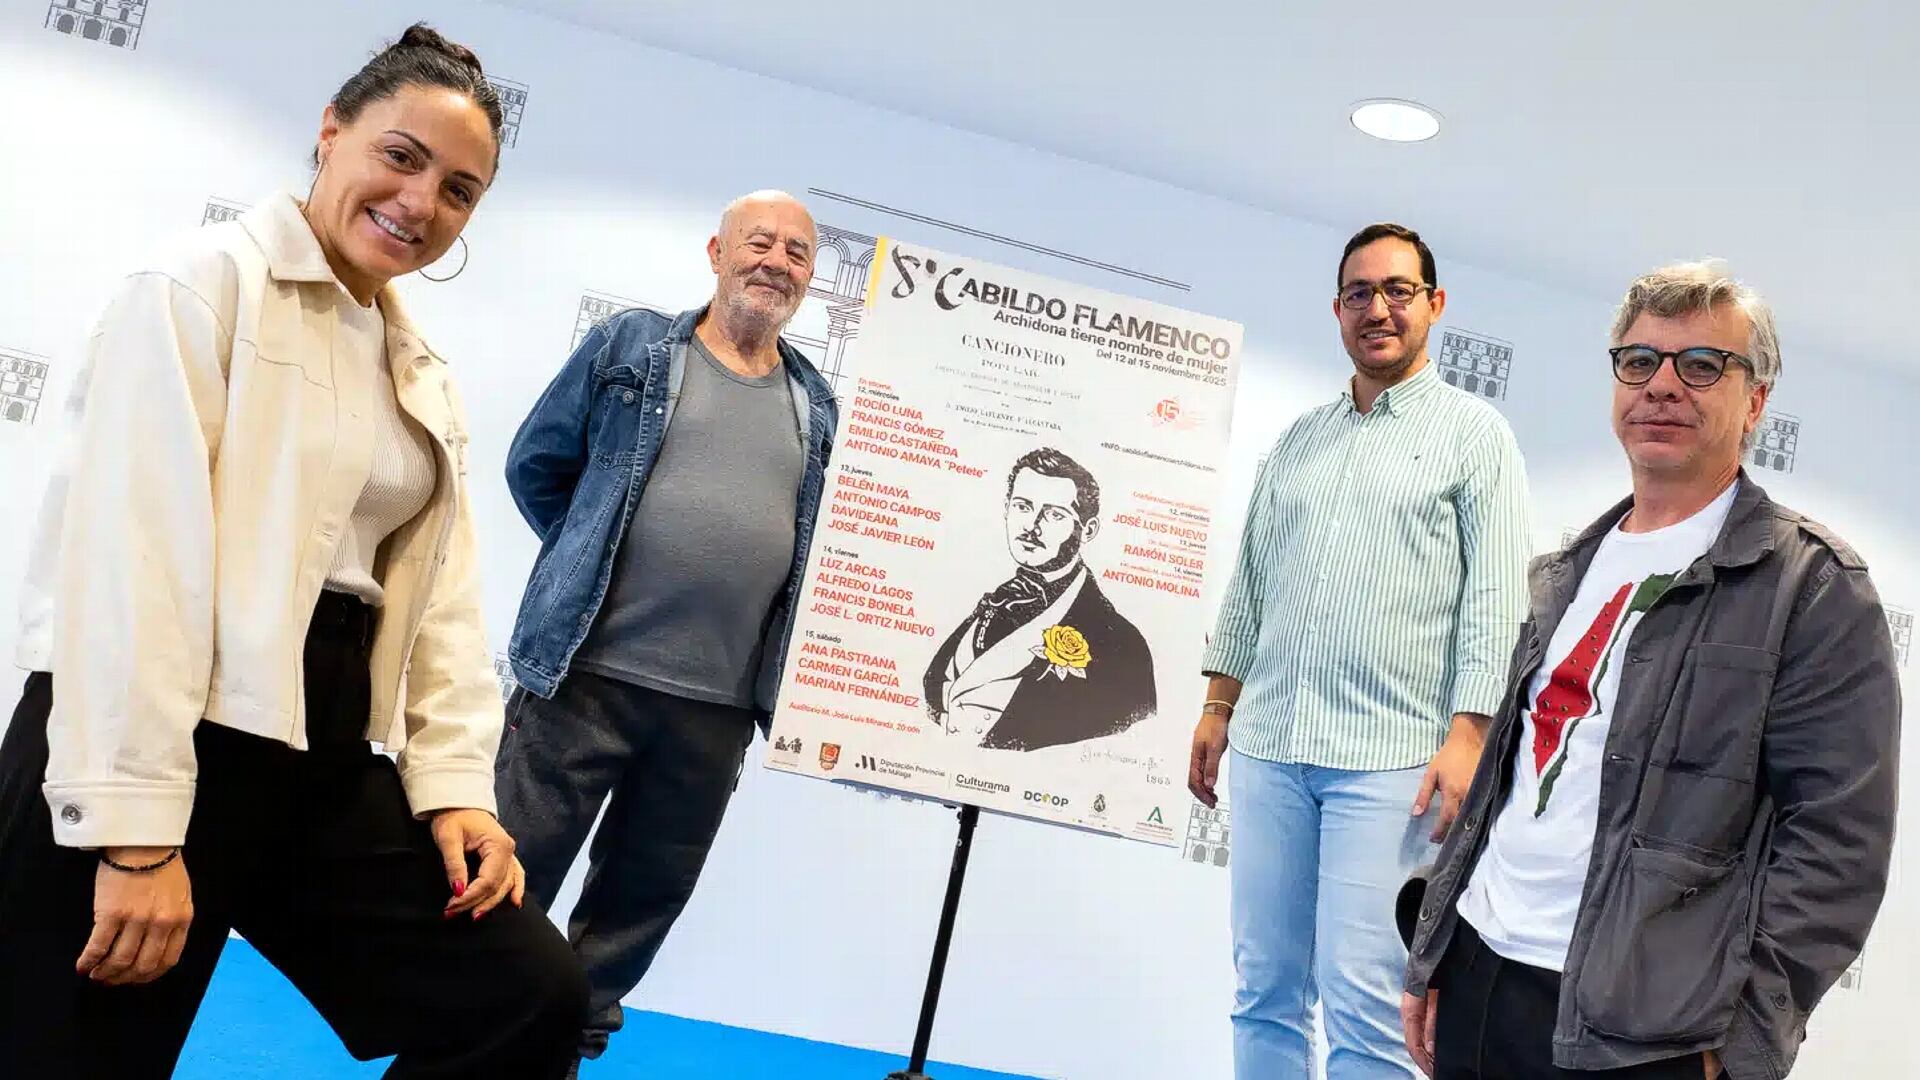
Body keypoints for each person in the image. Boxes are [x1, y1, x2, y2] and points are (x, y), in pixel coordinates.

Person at [0, 24, 586, 1079]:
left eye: (460, 191)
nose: (421, 204)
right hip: (143, 729)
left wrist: (458, 790)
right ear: (331, 132)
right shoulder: (198, 286)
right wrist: (134, 836)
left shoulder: (418, 365)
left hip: (315, 744)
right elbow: (126, 568)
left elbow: (442, 602)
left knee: (525, 994)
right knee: (73, 1060)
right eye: (401, 158)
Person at [1398, 262, 1899, 1080]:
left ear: (1757, 402)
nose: (1663, 384)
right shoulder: (1570, 567)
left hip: (1646, 1036)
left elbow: (1838, 850)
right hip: (1482, 975)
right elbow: (1515, 782)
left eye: (1702, 365)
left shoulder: (1812, 590)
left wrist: (1739, 1049)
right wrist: (1434, 955)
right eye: (1640, 361)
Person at [496, 190, 838, 1067]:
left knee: (636, 910)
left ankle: (558, 1055)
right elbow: (537, 467)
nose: (777, 262)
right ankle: (464, 1038)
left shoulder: (817, 401)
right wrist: (590, 557)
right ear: (717, 251)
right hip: (585, 677)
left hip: (716, 709)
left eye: (797, 253)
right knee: (507, 882)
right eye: (759, 242)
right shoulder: (632, 347)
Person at [1190, 223, 1532, 1078]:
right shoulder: (1299, 441)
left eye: (1397, 291)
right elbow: (1253, 583)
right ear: (1338, 310)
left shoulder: (1475, 436)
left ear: (1433, 305)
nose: (1377, 309)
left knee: (1367, 999)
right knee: (1262, 985)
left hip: (1393, 766)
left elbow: (1498, 599)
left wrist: (1470, 735)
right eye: (1358, 294)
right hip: (1271, 750)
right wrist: (1217, 704)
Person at [923, 446, 1156, 751]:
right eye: (1022, 506)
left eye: (1054, 515)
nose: (1031, 527)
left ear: (1088, 530)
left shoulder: (1123, 645)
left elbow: (1124, 745)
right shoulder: (996, 600)